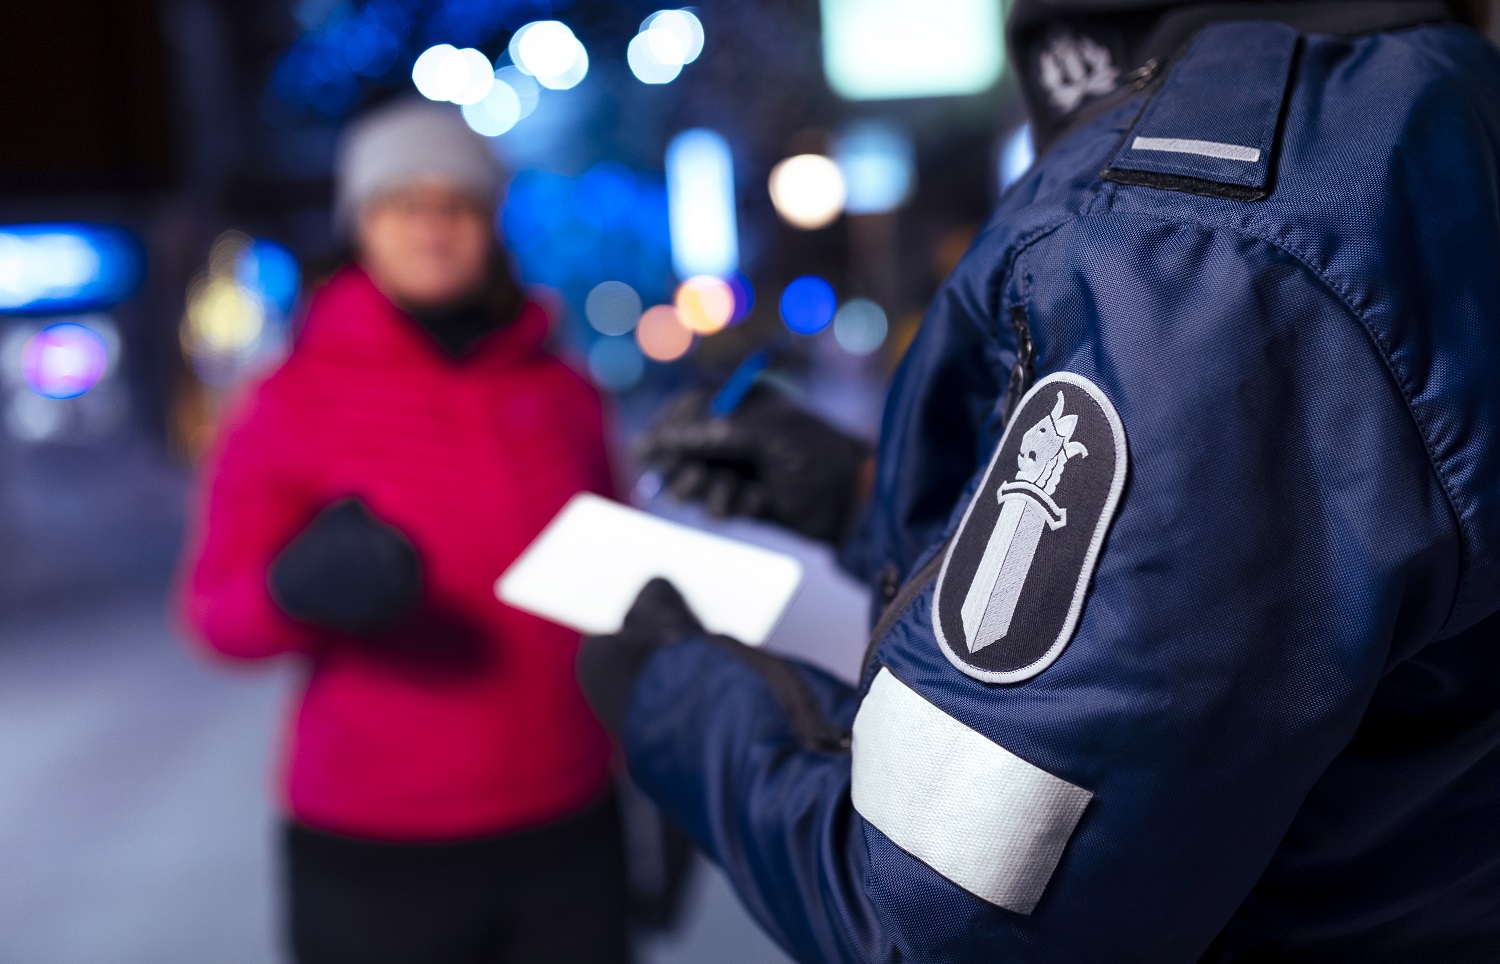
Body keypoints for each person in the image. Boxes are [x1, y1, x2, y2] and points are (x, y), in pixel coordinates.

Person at [578, 1, 1500, 961]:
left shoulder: (1203, 244)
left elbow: (948, 917)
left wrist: (673, 694)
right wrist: (861, 496)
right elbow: (1289, 567)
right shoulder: (1424, 110)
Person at [178, 99, 629, 963]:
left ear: (490, 224)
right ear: (362, 227)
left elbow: (616, 577)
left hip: (570, 816)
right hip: (375, 843)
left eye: (455, 203)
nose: (431, 228)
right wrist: (292, 589)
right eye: (400, 204)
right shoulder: (288, 401)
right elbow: (213, 615)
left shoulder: (563, 390)